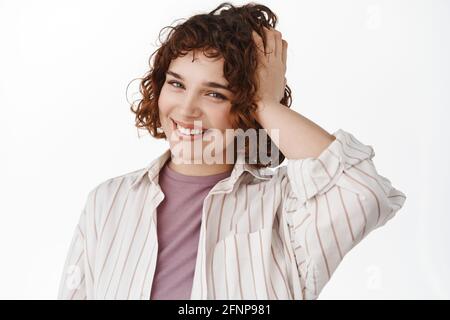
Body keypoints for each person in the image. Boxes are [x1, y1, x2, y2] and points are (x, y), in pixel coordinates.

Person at [58, 2, 407, 300]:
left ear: (245, 108)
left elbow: (363, 192)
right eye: (177, 84)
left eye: (215, 94)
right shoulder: (107, 202)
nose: (187, 109)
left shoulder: (284, 209)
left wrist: (265, 101)